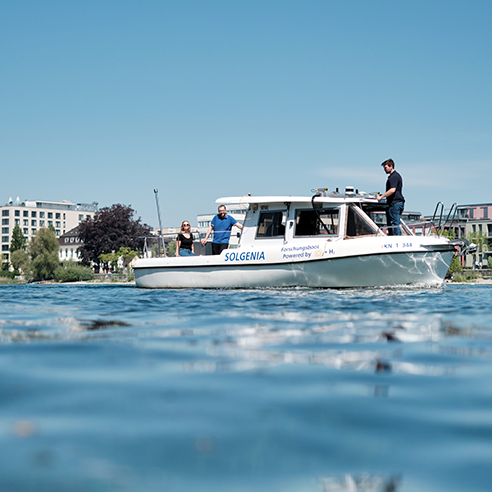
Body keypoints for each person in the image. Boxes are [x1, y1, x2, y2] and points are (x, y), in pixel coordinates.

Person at [377, 158, 405, 235]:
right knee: (395, 222)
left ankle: (396, 239)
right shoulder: (395, 176)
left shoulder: (394, 177)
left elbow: (393, 190)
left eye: (385, 167)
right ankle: (394, 236)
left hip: (395, 203)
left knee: (394, 223)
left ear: (391, 166)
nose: (384, 169)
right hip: (397, 202)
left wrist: (381, 197)